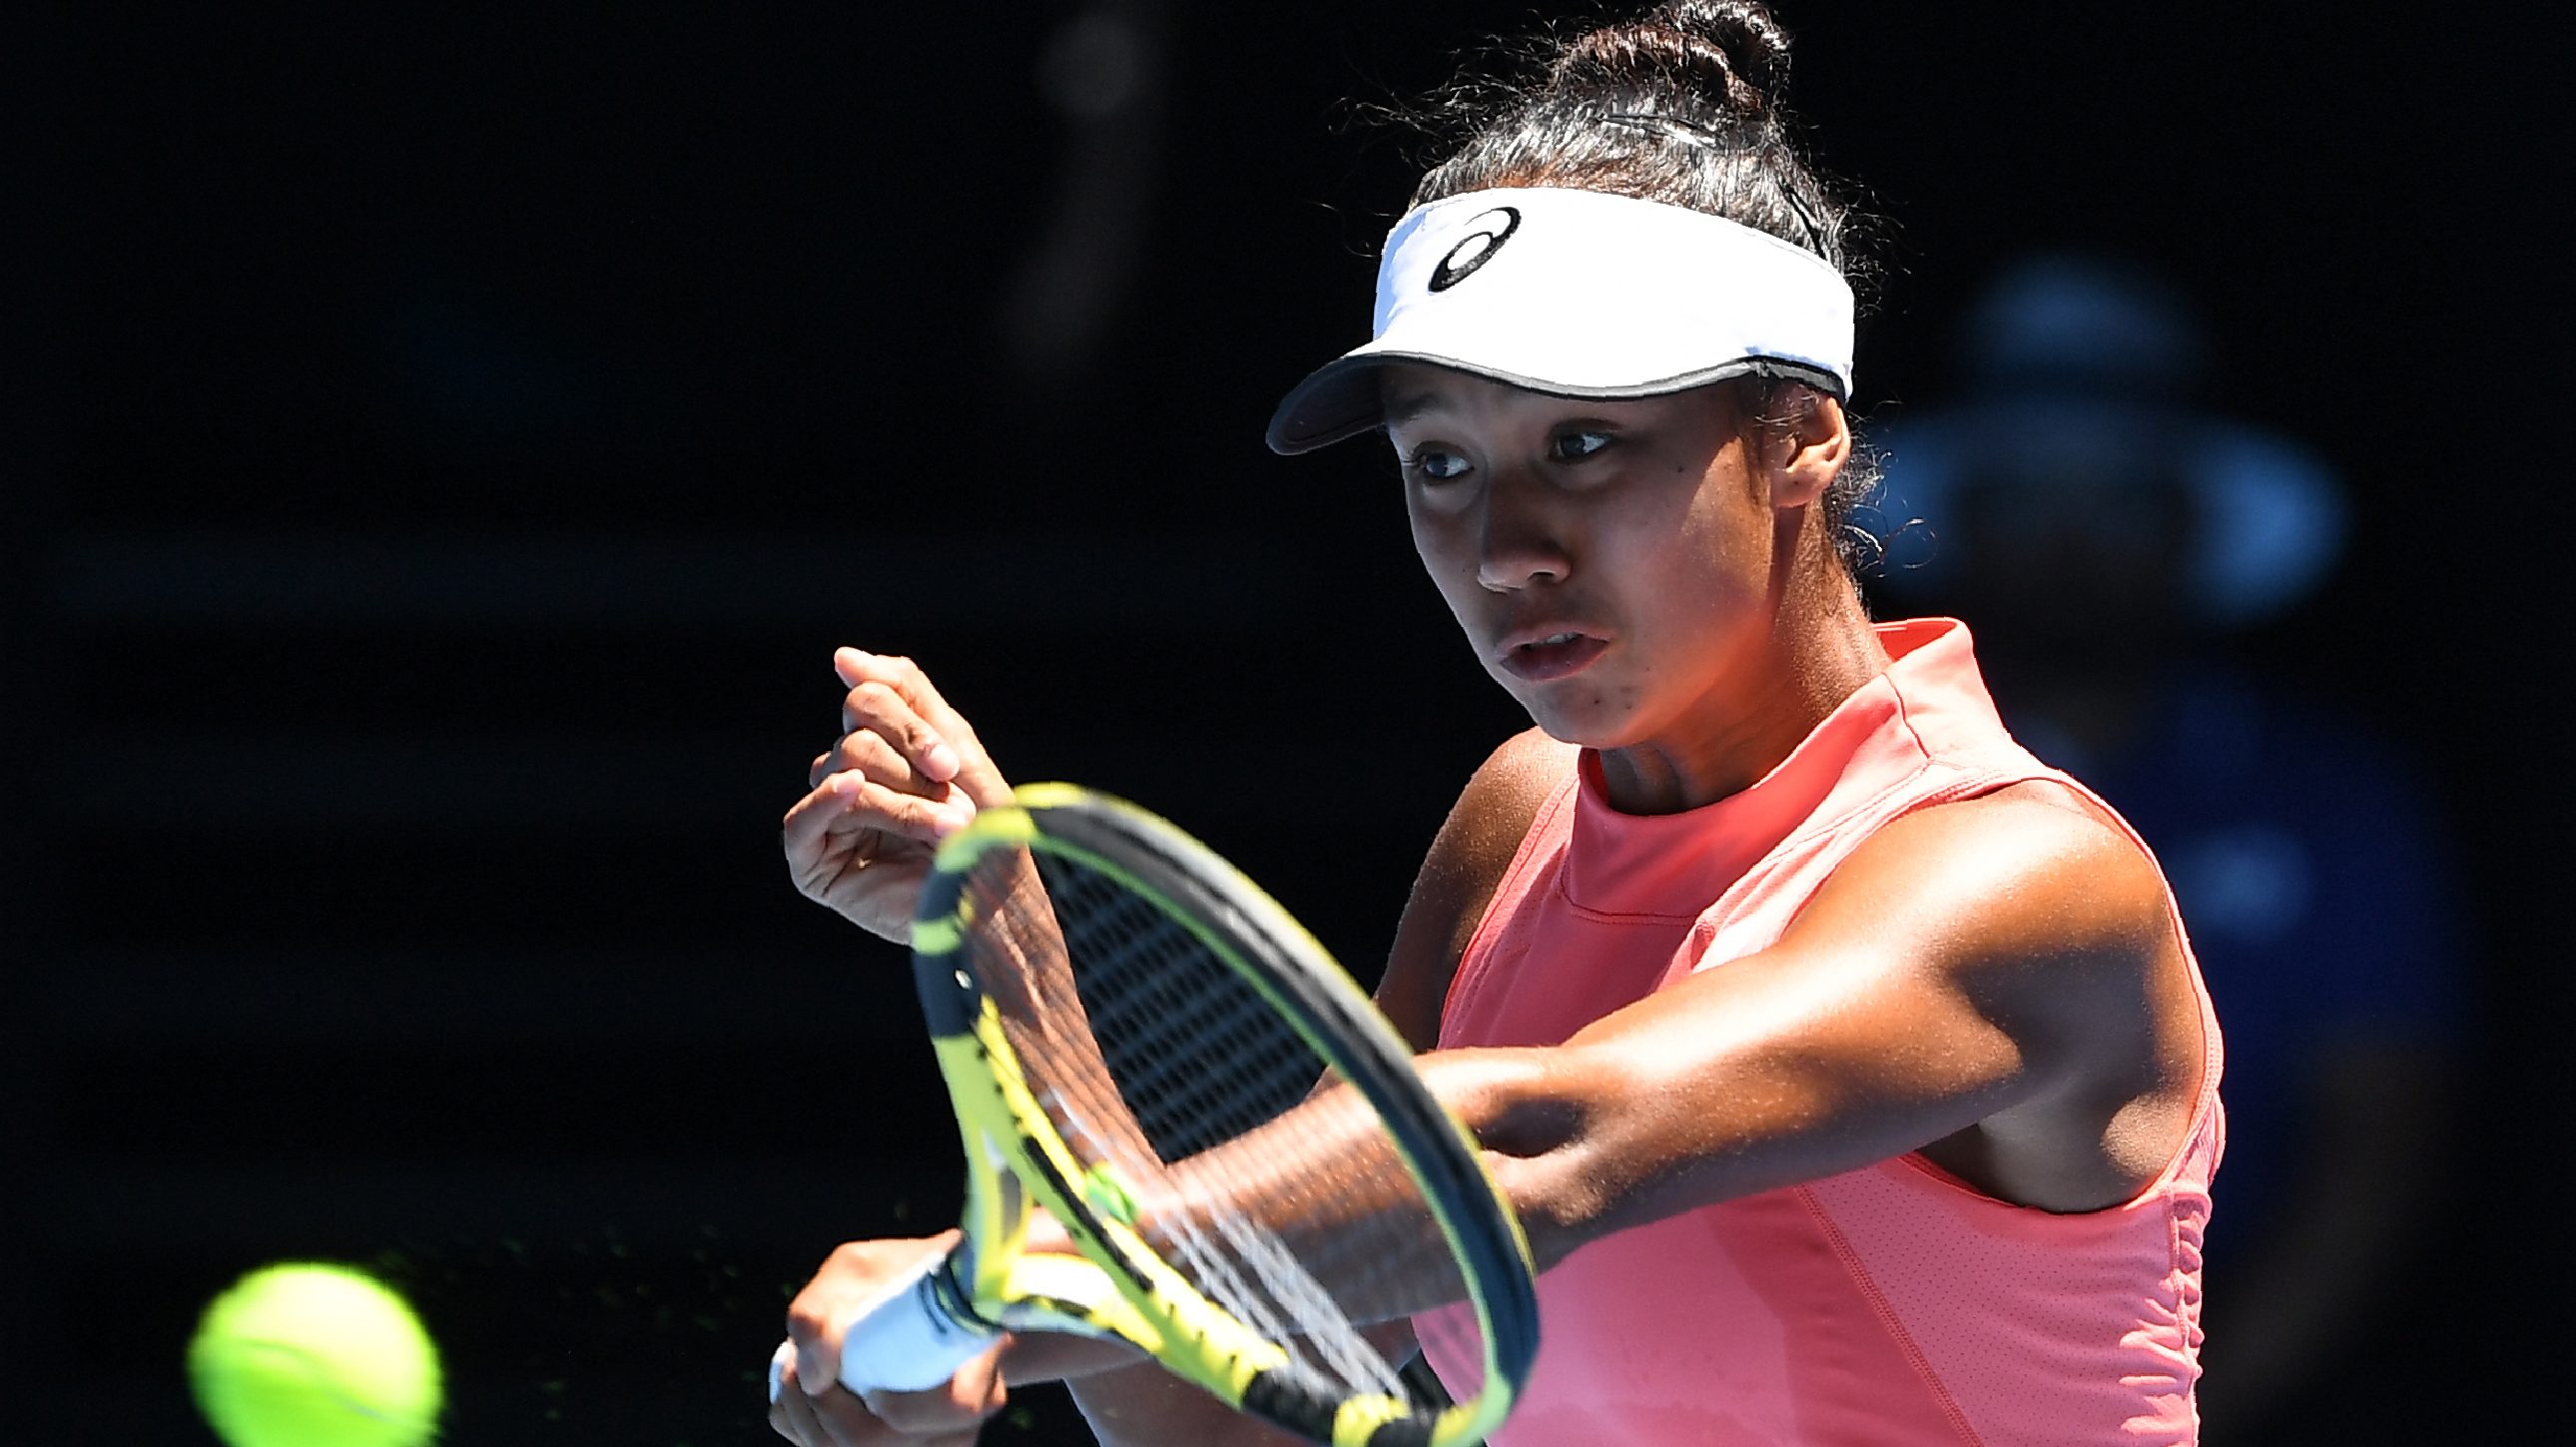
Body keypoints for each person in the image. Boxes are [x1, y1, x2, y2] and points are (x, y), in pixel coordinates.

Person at [770, 3, 2222, 1442]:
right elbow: (1229, 1418)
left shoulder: (2024, 881)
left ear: (1799, 435)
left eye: (1580, 444)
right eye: (1444, 462)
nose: (1504, 545)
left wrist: (980, 1307)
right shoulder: (1520, 814)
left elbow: (1539, 1144)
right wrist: (1017, 961)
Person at [1875, 255, 2464, 1442]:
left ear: (2189, 527)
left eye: (2118, 499)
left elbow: (2381, 1138)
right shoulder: (1850, 783)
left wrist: (2183, 1413)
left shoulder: (2331, 797)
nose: (2073, 543)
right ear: (1968, 523)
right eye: (2031, 498)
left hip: (2232, 1390)